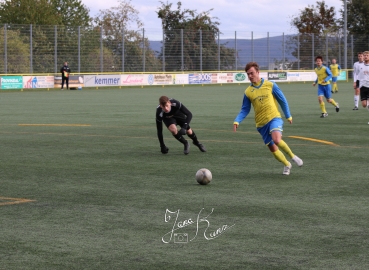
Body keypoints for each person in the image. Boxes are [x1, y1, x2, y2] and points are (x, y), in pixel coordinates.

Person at [233, 62, 303, 175]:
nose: (250, 76)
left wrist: (288, 115)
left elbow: (282, 100)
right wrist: (237, 120)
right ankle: (287, 164)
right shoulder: (247, 92)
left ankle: (293, 157)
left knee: (276, 139)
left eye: (252, 73)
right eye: (248, 74)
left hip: (274, 118)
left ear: (258, 72)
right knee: (273, 148)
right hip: (261, 125)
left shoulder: (270, 85)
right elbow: (245, 109)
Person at [358, 51, 369, 124]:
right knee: (364, 105)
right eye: (364, 55)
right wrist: (358, 85)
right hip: (363, 87)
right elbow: (359, 76)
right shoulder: (360, 66)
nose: (365, 56)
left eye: (367, 55)